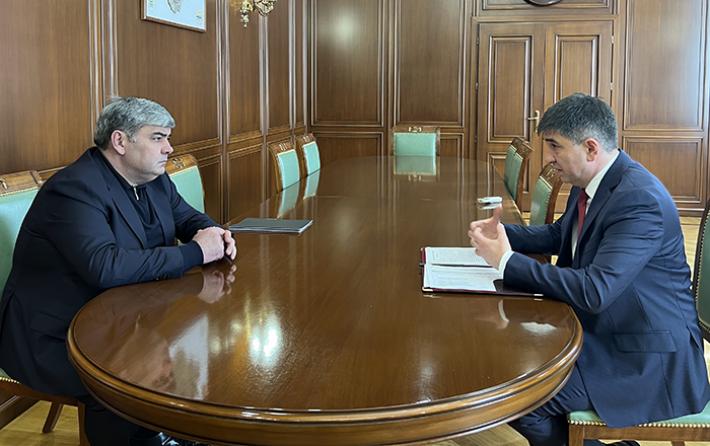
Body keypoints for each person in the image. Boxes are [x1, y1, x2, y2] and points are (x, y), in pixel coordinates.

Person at [468, 93, 710, 446]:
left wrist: (506, 261)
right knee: (512, 369)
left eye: (554, 146)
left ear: (591, 148)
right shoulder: (594, 182)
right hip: (608, 331)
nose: (547, 158)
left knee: (520, 400)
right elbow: (560, 235)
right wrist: (503, 234)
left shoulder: (638, 200)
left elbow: (594, 291)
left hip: (647, 358)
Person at [0, 97, 236, 446]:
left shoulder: (154, 179)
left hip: (122, 318)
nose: (169, 148)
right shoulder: (74, 188)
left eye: (168, 138)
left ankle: (174, 433)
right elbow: (106, 267)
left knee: (188, 347)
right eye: (158, 137)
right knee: (122, 381)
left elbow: (188, 218)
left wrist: (215, 233)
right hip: (56, 333)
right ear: (120, 141)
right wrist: (196, 251)